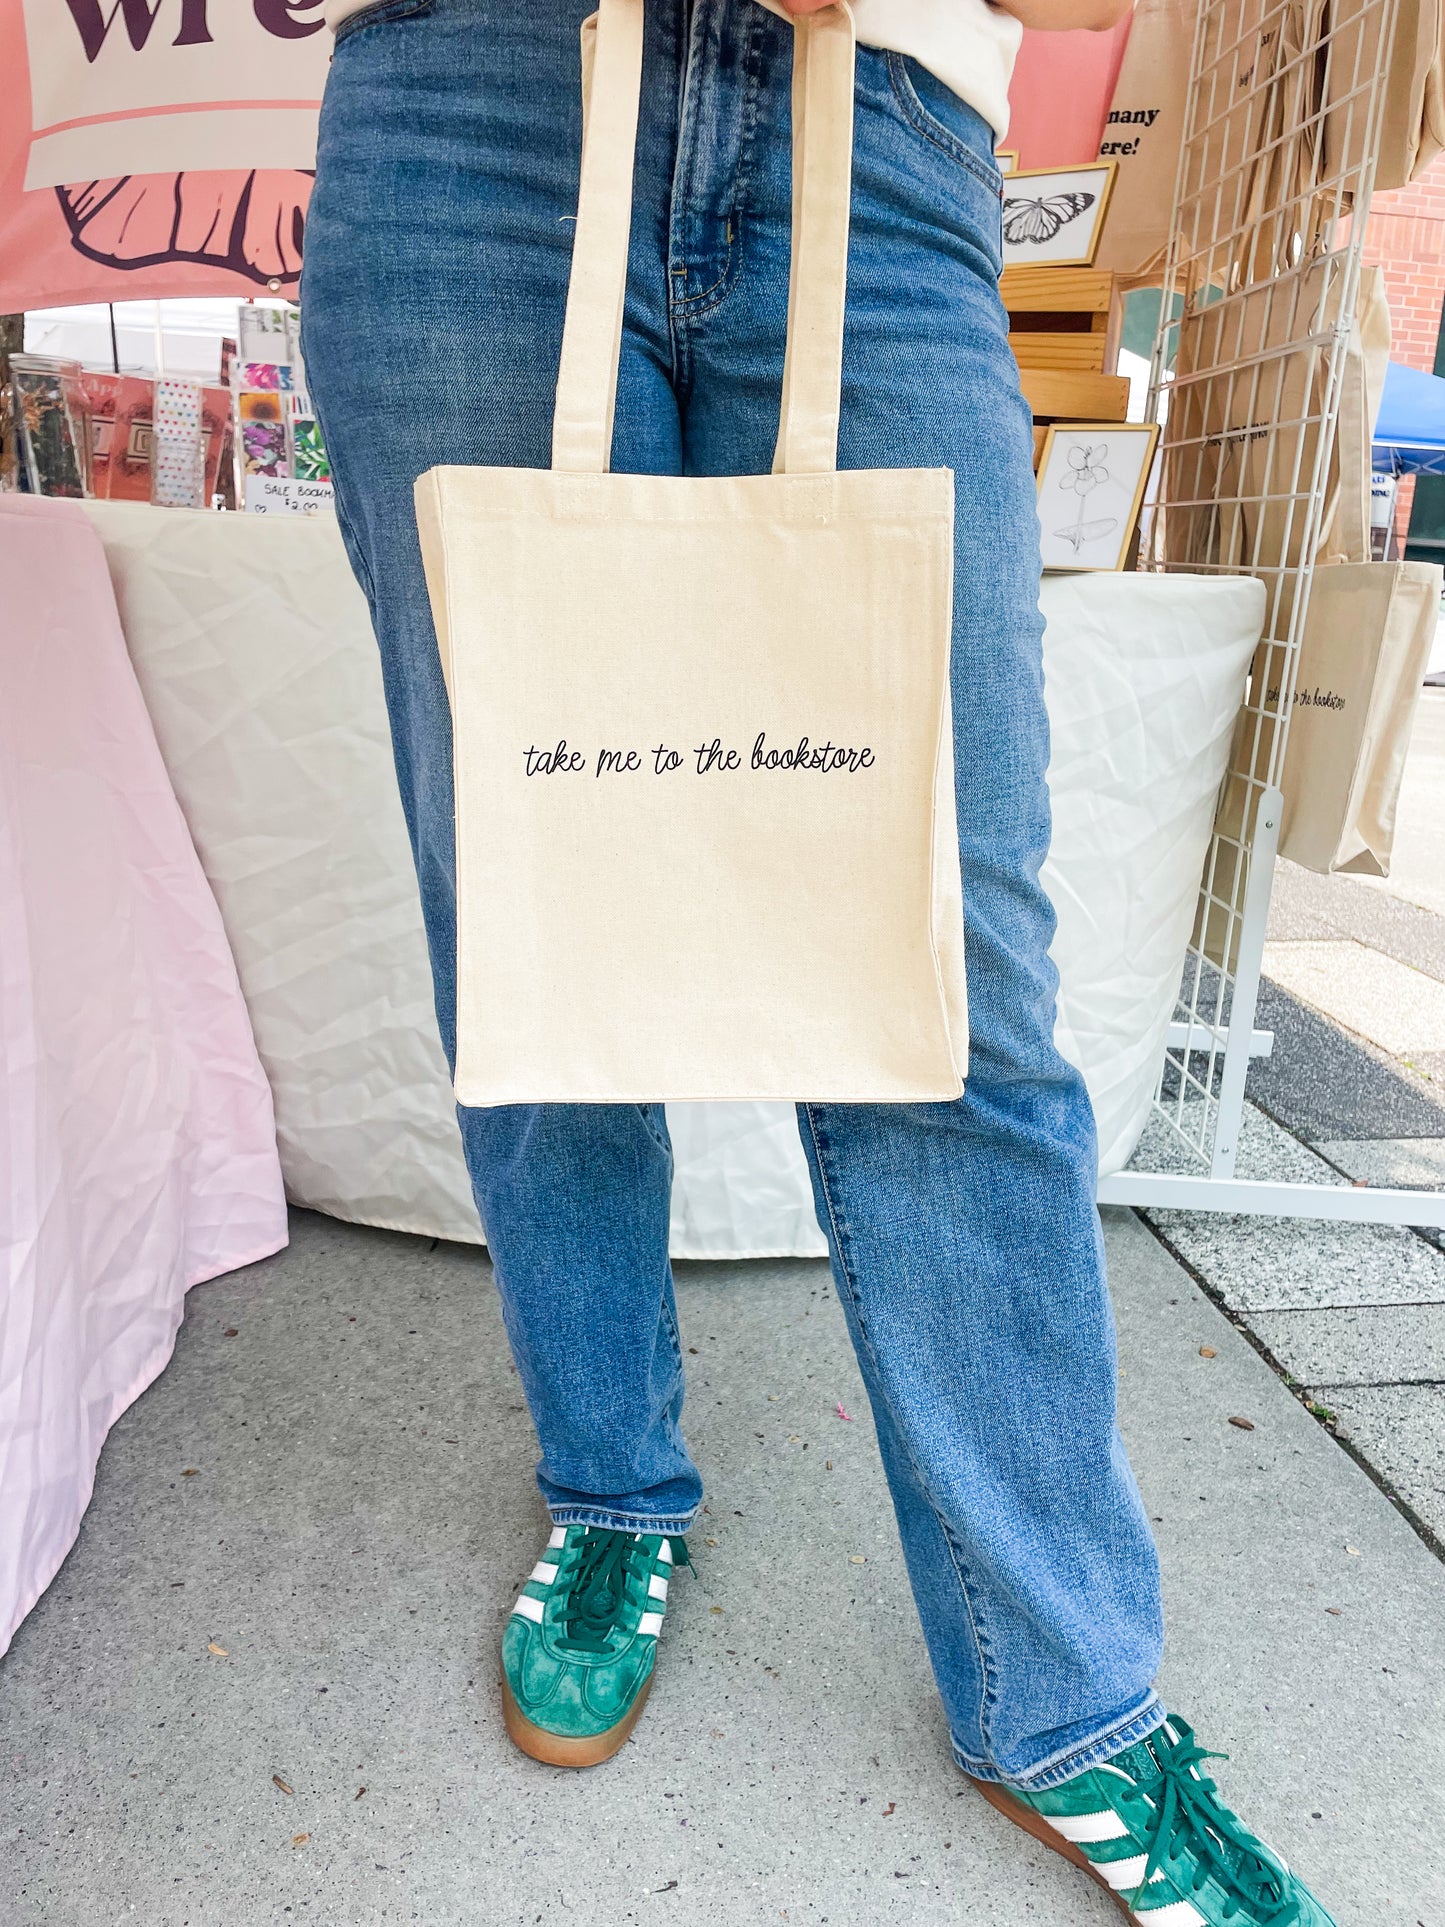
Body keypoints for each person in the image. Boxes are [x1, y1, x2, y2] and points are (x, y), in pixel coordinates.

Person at [302, 2, 1336, 1920]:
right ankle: (610, 1488)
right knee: (539, 904)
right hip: (478, 117)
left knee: (951, 974)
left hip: (887, 132)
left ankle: (1062, 1691)